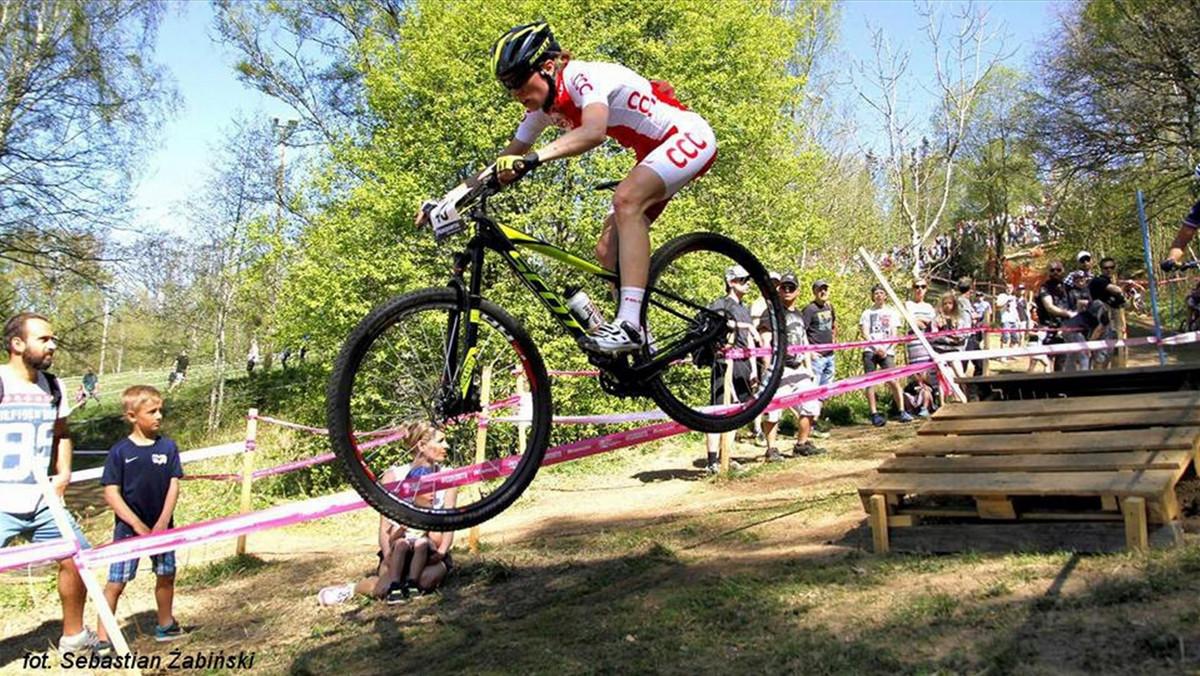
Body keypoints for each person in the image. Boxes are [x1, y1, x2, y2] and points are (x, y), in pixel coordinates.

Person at [420, 22, 717, 355]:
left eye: (518, 81)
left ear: (548, 67)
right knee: (606, 251)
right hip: (652, 153)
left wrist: (534, 158)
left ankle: (629, 325)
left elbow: (593, 132)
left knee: (626, 200)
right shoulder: (543, 110)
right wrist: (449, 200)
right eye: (507, 87)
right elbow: (501, 161)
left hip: (688, 136)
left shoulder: (581, 77)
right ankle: (643, 348)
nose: (515, 94)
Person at [0, 313, 95, 655]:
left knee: (78, 558)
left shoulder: (53, 386)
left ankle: (74, 637)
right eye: (44, 339)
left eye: (52, 339)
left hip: (43, 501)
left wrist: (64, 473)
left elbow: (62, 434)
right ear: (17, 344)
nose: (53, 345)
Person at [317, 424, 458, 605]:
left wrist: (442, 551)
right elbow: (384, 528)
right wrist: (387, 554)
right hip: (399, 546)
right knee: (385, 588)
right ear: (421, 446)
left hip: (430, 549)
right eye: (440, 441)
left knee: (426, 582)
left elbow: (451, 521)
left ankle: (410, 581)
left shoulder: (449, 476)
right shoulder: (393, 476)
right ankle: (351, 589)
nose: (447, 446)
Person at [95, 385, 185, 654]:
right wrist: (136, 524)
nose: (159, 416)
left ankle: (166, 624)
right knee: (116, 583)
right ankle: (103, 638)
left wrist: (162, 522)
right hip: (128, 531)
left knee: (166, 574)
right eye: (152, 411)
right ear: (132, 416)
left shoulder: (168, 447)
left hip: (162, 530)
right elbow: (111, 493)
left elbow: (173, 485)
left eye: (161, 411)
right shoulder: (120, 452)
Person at [757, 273, 826, 462]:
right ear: (778, 289)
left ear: (798, 291)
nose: (787, 291)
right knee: (773, 411)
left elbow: (803, 340)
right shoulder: (771, 312)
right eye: (784, 287)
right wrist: (769, 368)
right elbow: (765, 341)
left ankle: (802, 444)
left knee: (811, 407)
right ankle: (771, 449)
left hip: (799, 369)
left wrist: (809, 367)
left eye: (791, 287)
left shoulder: (799, 314)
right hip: (779, 369)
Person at [703, 266, 758, 475]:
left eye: (748, 280)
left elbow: (750, 340)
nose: (748, 284)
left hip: (744, 364)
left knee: (737, 412)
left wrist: (753, 369)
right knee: (718, 411)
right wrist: (744, 327)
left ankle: (727, 455)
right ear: (731, 282)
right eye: (743, 280)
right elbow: (718, 327)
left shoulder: (745, 308)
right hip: (724, 363)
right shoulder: (720, 304)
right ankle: (712, 461)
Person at [859, 284, 911, 426]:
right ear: (872, 296)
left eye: (881, 293)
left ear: (885, 295)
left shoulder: (893, 312)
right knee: (870, 381)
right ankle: (874, 413)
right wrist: (876, 347)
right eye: (876, 293)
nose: (879, 295)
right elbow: (864, 332)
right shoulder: (866, 313)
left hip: (888, 350)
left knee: (893, 380)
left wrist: (886, 349)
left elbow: (895, 334)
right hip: (870, 350)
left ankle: (902, 410)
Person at [1061, 277, 1125, 372]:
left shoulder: (1096, 303)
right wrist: (1090, 344)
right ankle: (1085, 380)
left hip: (1070, 327)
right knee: (1085, 355)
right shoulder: (1102, 308)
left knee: (1072, 356)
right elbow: (1100, 329)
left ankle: (1067, 377)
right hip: (1074, 330)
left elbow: (1080, 302)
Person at [801, 280, 836, 439]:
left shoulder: (830, 307)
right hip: (816, 357)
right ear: (814, 292)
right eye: (820, 289)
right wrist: (810, 353)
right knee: (813, 391)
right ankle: (809, 425)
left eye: (825, 289)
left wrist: (834, 344)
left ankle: (815, 422)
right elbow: (802, 333)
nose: (823, 292)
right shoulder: (809, 309)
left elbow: (833, 326)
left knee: (824, 391)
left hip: (830, 355)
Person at [1037, 261, 1075, 371]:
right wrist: (1069, 314)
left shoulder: (1067, 287)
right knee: (1047, 362)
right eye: (1052, 270)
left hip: (1066, 328)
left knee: (1064, 360)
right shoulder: (1045, 287)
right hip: (1049, 327)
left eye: (1058, 270)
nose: (1055, 272)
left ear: (1063, 270)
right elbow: (1049, 307)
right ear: (1048, 272)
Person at [929, 292, 968, 378]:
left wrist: (952, 337)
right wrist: (946, 337)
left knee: (960, 374)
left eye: (950, 303)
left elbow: (961, 335)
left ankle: (965, 390)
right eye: (945, 303)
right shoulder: (937, 320)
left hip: (954, 351)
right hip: (940, 352)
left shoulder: (958, 320)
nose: (947, 306)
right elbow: (934, 336)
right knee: (942, 376)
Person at [994, 284, 1021, 358]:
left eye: (1011, 288)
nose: (1009, 289)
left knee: (1015, 337)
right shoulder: (1002, 296)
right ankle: (1003, 355)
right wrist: (1006, 301)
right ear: (1005, 288)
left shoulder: (1014, 297)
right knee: (1005, 336)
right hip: (1006, 319)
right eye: (1007, 288)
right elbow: (997, 306)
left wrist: (1018, 320)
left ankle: (1012, 354)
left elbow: (1014, 309)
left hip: (1014, 319)